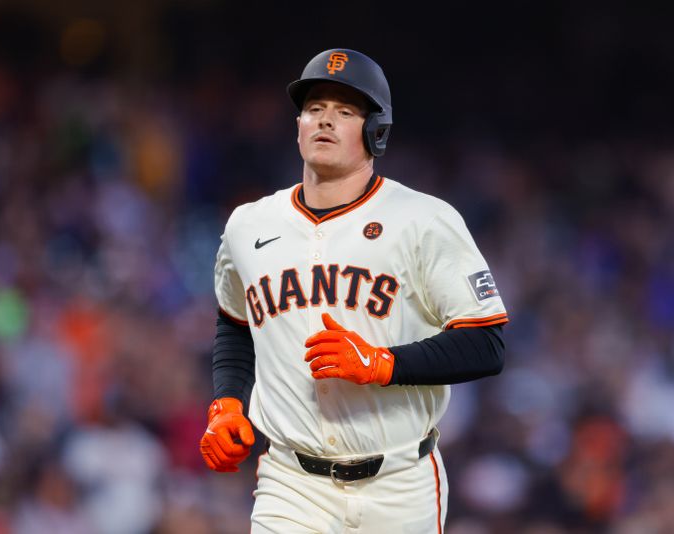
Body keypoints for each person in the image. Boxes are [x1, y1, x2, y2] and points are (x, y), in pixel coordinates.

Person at [199, 48, 508, 533]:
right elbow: (235, 325)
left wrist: (383, 363)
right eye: (314, 109)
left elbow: (487, 343)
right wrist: (227, 404)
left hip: (400, 483)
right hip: (291, 485)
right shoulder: (248, 224)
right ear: (298, 125)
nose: (325, 121)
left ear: (375, 131)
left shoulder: (424, 220)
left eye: (345, 112)